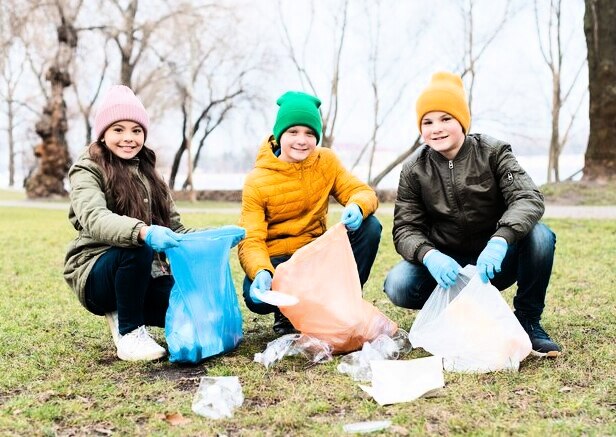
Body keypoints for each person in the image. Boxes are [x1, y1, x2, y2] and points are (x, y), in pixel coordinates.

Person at [383, 71, 561, 357]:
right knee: (397, 284)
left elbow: (528, 198)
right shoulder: (414, 169)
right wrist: (430, 255)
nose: (436, 129)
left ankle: (528, 320)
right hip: (446, 268)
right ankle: (456, 314)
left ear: (462, 121)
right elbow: (405, 228)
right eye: (427, 122)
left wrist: (501, 239)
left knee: (540, 236)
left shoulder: (493, 152)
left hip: (494, 263)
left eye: (445, 119)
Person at [64, 85, 208, 361]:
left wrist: (214, 237)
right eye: (118, 129)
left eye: (136, 130)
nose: (128, 138)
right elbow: (94, 218)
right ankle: (129, 333)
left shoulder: (149, 173)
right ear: (103, 134)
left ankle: (127, 307)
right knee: (136, 246)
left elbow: (175, 230)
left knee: (185, 306)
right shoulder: (87, 169)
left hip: (145, 273)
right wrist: (142, 231)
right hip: (97, 273)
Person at [238, 91, 382, 335]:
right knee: (256, 299)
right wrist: (261, 271)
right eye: (293, 132)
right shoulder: (256, 180)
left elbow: (360, 191)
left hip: (315, 253)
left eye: (309, 133)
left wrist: (357, 205)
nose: (301, 140)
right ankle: (286, 315)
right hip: (279, 261)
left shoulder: (326, 161)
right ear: (279, 135)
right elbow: (251, 239)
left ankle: (341, 305)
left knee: (371, 227)